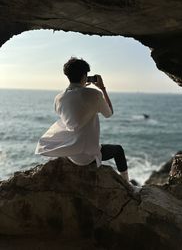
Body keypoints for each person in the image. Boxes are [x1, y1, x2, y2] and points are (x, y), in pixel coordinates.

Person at [35, 57, 141, 192]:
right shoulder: (94, 94)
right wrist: (102, 88)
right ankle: (127, 185)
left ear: (67, 75)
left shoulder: (58, 98)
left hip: (71, 153)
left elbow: (73, 110)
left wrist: (81, 88)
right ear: (85, 75)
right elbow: (109, 113)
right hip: (87, 157)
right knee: (118, 150)